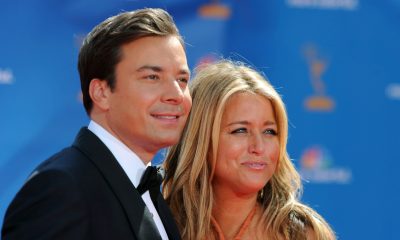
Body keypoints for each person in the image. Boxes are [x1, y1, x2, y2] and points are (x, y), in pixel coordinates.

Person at [2, 8, 191, 240]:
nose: (176, 94)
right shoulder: (61, 189)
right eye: (152, 77)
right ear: (101, 93)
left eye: (182, 79)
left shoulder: (150, 191)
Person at [163, 60, 336, 240]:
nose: (258, 147)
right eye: (240, 130)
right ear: (201, 138)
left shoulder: (302, 234)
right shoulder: (159, 224)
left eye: (269, 131)